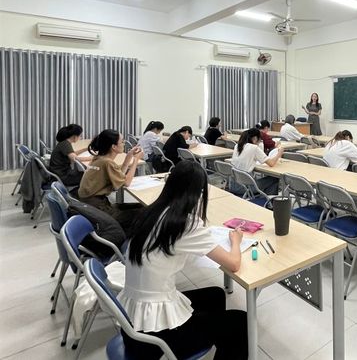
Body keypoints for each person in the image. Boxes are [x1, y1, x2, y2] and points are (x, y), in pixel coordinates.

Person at [118, 161, 247, 360]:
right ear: (199, 193)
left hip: (133, 320)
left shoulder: (152, 211)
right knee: (240, 322)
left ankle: (210, 338)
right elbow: (234, 264)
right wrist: (236, 241)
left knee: (215, 295)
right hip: (154, 336)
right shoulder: (184, 224)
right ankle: (203, 339)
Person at [78, 129, 144, 235]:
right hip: (99, 209)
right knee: (144, 212)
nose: (124, 143)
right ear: (113, 147)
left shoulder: (98, 158)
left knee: (139, 206)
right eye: (122, 141)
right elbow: (126, 182)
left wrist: (129, 157)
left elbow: (119, 178)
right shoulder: (107, 163)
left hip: (91, 206)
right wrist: (135, 160)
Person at [231, 128, 283, 196]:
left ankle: (265, 200)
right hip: (245, 187)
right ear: (255, 139)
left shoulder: (237, 145)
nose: (260, 142)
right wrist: (279, 153)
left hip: (233, 185)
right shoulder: (254, 148)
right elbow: (271, 163)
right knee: (274, 178)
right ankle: (269, 202)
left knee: (266, 181)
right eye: (260, 140)